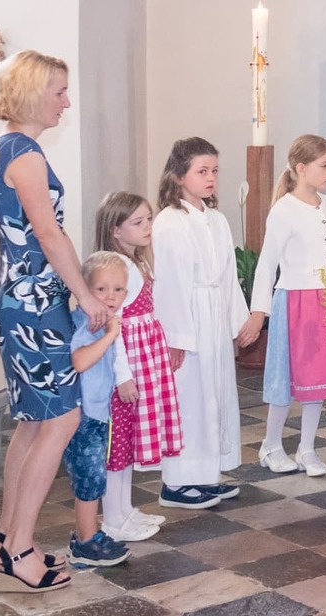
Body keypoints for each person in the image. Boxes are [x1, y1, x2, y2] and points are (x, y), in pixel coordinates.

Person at [0, 50, 102, 594]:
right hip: (33, 304)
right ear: (33, 93)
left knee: (34, 422)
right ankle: (20, 552)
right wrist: (86, 295)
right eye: (58, 91)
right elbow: (49, 234)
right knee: (61, 420)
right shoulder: (25, 154)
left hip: (24, 300)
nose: (66, 102)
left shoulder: (7, 147)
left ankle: (6, 540)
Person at [152, 137, 253, 509]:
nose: (211, 178)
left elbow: (227, 276)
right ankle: (176, 483)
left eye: (214, 171)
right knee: (189, 399)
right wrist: (176, 337)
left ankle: (205, 475)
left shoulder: (216, 219)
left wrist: (238, 321)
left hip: (213, 315)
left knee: (214, 395)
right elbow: (169, 283)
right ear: (179, 176)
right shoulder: (169, 222)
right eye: (202, 171)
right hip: (189, 317)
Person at [249, 135, 326, 476]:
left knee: (318, 380)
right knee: (284, 379)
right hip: (295, 302)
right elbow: (267, 264)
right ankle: (271, 445)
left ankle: (307, 449)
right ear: (301, 168)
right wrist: (258, 312)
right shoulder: (283, 210)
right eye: (324, 166)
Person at [93, 192, 180, 542]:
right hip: (127, 361)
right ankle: (112, 519)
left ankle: (125, 510)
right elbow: (112, 326)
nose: (148, 227)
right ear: (116, 230)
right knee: (118, 444)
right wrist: (123, 376)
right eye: (138, 222)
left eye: (149, 219)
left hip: (143, 356)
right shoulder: (119, 266)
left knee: (128, 441)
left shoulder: (135, 260)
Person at [60, 253, 133, 569]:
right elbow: (79, 361)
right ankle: (85, 542)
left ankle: (88, 534)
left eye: (118, 290)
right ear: (85, 292)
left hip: (97, 413)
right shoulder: (88, 324)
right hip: (83, 415)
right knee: (89, 478)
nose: (111, 297)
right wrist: (111, 335)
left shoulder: (102, 322)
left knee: (94, 477)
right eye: (101, 289)